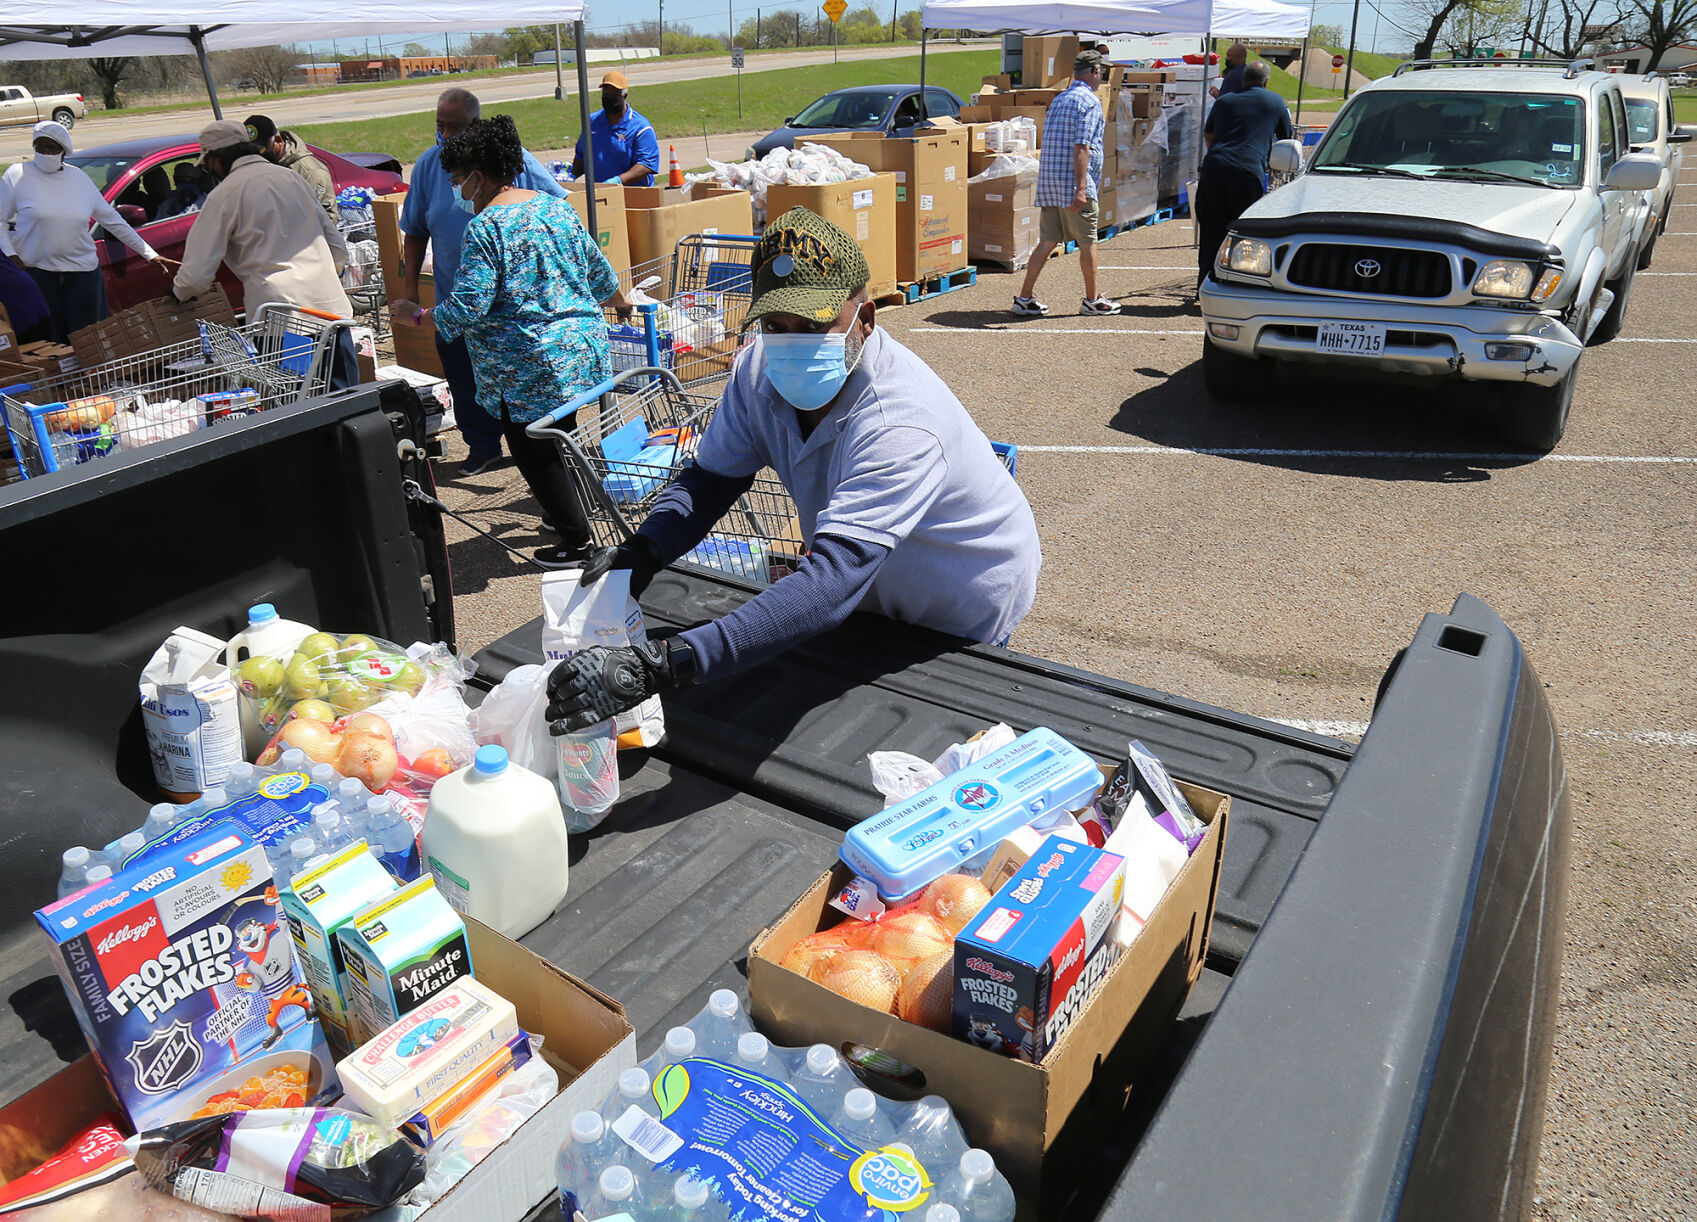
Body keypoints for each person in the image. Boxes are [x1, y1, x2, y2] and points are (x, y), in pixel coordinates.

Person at [543, 208, 1042, 733]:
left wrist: (666, 663)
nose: (790, 342)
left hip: (958, 594)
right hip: (870, 583)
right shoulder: (759, 369)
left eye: (813, 325)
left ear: (865, 318)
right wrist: (644, 550)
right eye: (775, 325)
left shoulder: (901, 422)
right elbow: (711, 480)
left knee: (925, 728)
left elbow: (831, 581)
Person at [388, 115, 633, 570]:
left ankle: (578, 543)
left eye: (459, 181)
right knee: (559, 437)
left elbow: (465, 308)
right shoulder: (555, 208)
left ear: (478, 177)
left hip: (527, 364)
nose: (459, 191)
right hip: (579, 352)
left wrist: (416, 315)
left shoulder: (486, 228)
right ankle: (568, 518)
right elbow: (600, 273)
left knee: (532, 451)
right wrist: (621, 303)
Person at [399, 87, 569, 477]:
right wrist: (411, 291)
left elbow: (555, 208)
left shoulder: (512, 161)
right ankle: (483, 446)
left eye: (454, 127)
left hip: (514, 308)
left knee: (519, 386)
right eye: (439, 125)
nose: (445, 134)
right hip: (457, 299)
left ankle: (538, 452)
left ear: (475, 125)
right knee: (463, 374)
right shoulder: (428, 166)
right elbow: (414, 229)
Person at [172, 120, 358, 389]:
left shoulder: (224, 196)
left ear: (216, 159)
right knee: (346, 395)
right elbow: (336, 246)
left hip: (283, 318)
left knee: (299, 400)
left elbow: (195, 276)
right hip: (329, 309)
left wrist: (178, 293)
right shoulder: (291, 177)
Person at [0, 121, 173, 341]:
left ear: (64, 151)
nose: (45, 153)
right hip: (39, 275)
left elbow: (112, 220)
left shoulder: (79, 179)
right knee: (52, 344)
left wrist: (149, 253)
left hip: (82, 277)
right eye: (39, 148)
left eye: (52, 148)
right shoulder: (17, 175)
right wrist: (11, 254)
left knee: (90, 342)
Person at [1013, 50, 1120, 318]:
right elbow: (1082, 146)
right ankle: (1092, 300)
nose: (1103, 77)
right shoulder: (1090, 102)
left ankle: (1024, 298)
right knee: (1089, 242)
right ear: (1095, 72)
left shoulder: (1059, 99)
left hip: (1050, 184)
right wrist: (1082, 188)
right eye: (1102, 72)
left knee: (1046, 241)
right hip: (1073, 186)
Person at [1196, 61, 1293, 289]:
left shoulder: (1224, 101)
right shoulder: (1276, 102)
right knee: (1246, 233)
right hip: (1248, 172)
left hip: (1215, 168)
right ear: (1266, 82)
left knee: (1211, 231)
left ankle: (1204, 285)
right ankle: (1240, 284)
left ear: (1243, 80)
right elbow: (1286, 140)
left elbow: (1208, 134)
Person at [570, 70, 660, 187]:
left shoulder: (640, 127)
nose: (610, 97)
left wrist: (618, 181)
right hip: (601, 192)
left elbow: (646, 165)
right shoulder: (592, 123)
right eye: (606, 93)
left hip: (635, 194)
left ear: (625, 95)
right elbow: (582, 158)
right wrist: (569, 176)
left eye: (614, 94)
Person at [245, 114, 336, 217]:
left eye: (262, 150)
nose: (257, 155)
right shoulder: (257, 168)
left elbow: (327, 219)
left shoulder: (310, 172)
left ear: (278, 141)